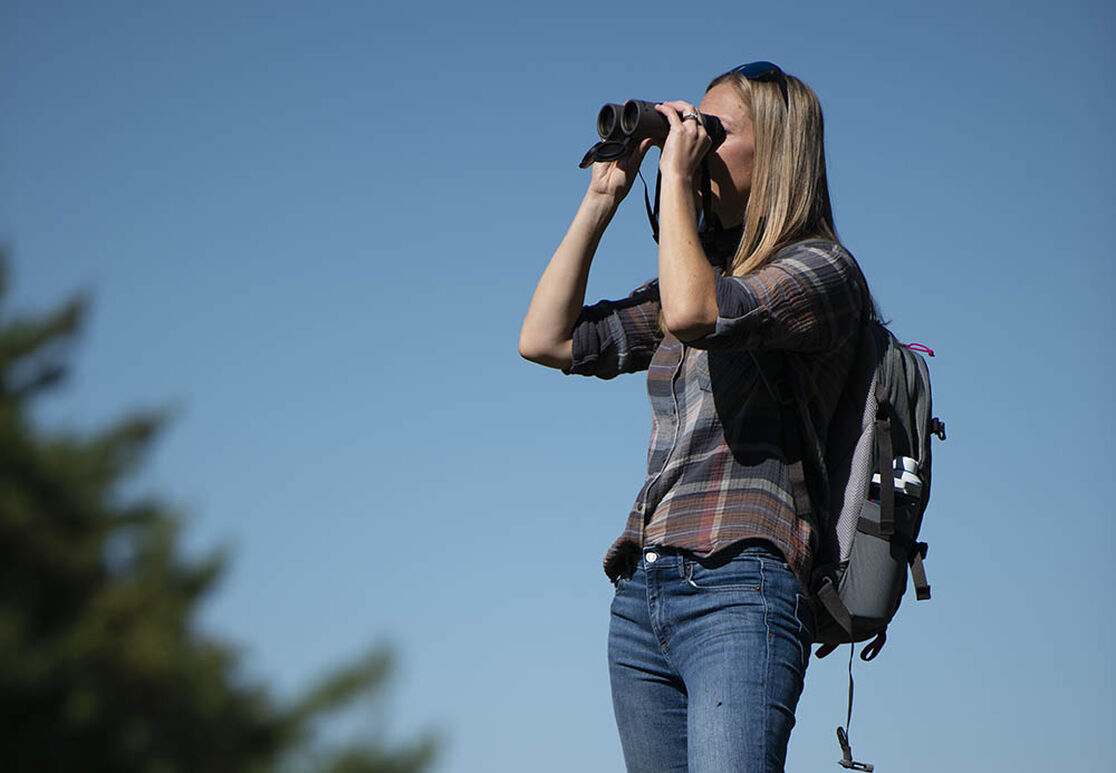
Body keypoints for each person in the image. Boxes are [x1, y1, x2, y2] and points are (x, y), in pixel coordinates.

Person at [519, 61, 870, 772]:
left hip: (744, 589)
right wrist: (604, 197)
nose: (696, 144)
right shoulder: (702, 271)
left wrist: (675, 180)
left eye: (715, 132)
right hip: (643, 593)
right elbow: (547, 339)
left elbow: (695, 314)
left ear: (776, 152)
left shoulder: (823, 271)